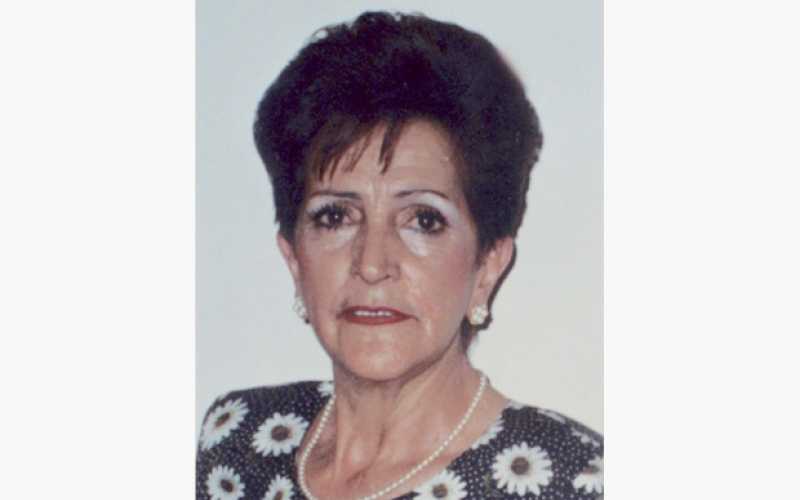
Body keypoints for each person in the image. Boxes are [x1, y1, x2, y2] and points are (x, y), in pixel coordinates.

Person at [197, 11, 602, 500]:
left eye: (423, 220)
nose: (371, 264)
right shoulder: (235, 443)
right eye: (335, 217)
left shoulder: (572, 480)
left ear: (488, 267)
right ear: (294, 260)